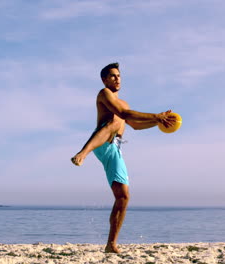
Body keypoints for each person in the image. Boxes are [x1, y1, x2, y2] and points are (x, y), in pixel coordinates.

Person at [71, 62, 176, 253]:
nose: (117, 78)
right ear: (104, 79)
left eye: (118, 75)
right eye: (112, 75)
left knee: (123, 197)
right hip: (102, 141)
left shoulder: (124, 103)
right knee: (116, 118)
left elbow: (135, 125)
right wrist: (156, 115)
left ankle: (111, 244)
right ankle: (82, 153)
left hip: (116, 149)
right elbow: (123, 115)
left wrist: (158, 122)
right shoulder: (104, 93)